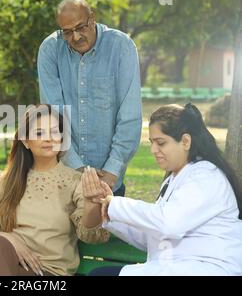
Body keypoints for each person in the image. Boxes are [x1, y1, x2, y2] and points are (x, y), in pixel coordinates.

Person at [83, 103, 242, 275]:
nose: (153, 150)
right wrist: (109, 212)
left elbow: (169, 224)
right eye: (151, 143)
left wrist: (116, 205)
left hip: (207, 269)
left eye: (161, 143)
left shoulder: (206, 176)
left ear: (186, 141)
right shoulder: (175, 179)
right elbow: (155, 236)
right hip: (177, 267)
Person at [0, 104, 110, 276]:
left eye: (54, 132)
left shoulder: (75, 182)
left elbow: (92, 235)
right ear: (25, 141)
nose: (49, 139)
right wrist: (9, 239)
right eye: (39, 133)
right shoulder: (3, 181)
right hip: (1, 262)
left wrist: (91, 203)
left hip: (48, 274)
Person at [37, 0, 142, 197]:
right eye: (67, 32)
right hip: (65, 177)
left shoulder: (122, 47)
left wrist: (112, 170)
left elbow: (130, 116)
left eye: (81, 27)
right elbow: (54, 118)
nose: (75, 37)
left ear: (92, 18)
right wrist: (77, 170)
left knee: (106, 229)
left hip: (110, 181)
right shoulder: (50, 49)